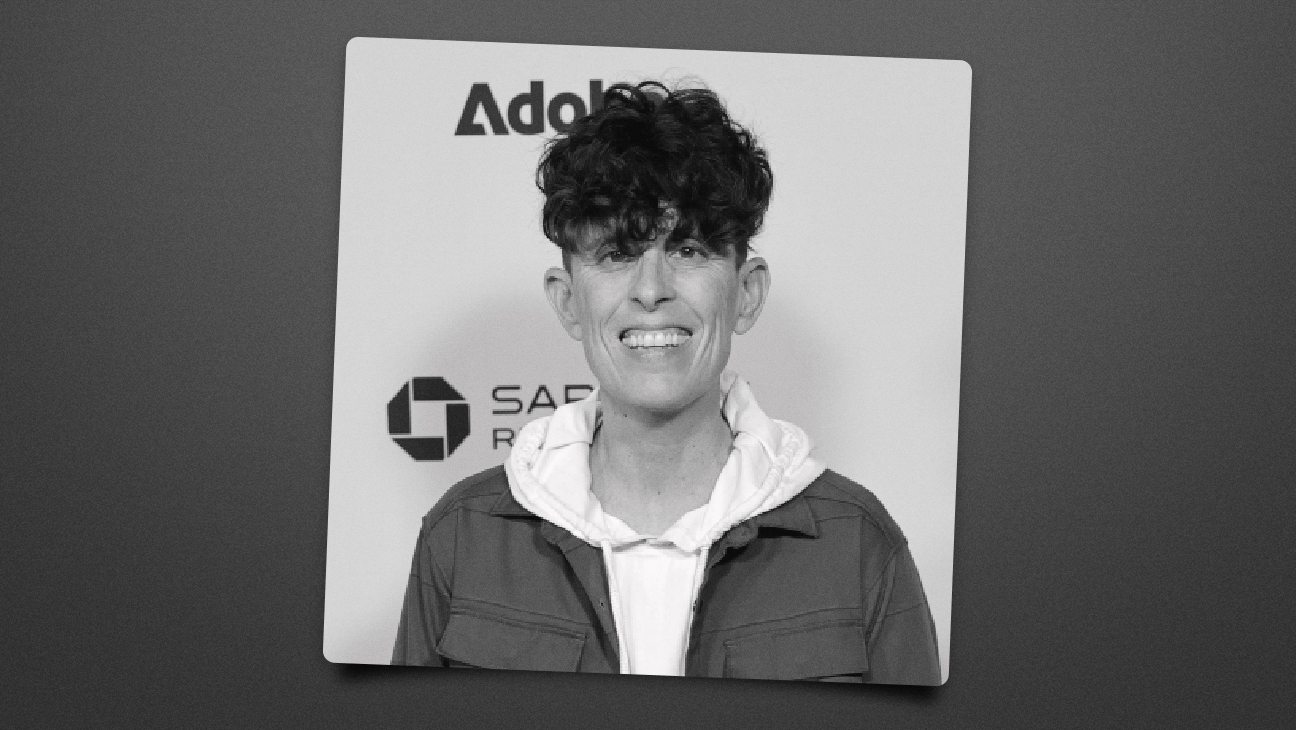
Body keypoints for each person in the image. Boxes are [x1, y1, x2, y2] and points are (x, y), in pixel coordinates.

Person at [392, 81, 941, 684]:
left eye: (688, 250)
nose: (652, 289)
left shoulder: (857, 542)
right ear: (568, 302)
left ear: (747, 293)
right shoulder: (462, 535)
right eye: (617, 254)